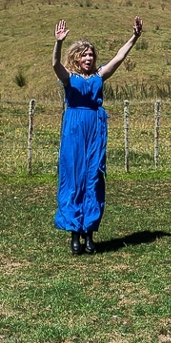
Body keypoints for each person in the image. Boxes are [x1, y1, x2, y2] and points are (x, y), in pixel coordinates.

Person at [52, 15, 143, 255]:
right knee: (73, 179)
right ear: (76, 58)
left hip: (95, 130)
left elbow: (119, 58)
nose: (89, 58)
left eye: (91, 55)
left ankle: (89, 234)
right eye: (84, 55)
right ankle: (74, 235)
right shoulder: (69, 78)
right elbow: (55, 66)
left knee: (93, 179)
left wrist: (134, 37)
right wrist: (59, 43)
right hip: (73, 131)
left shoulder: (99, 76)